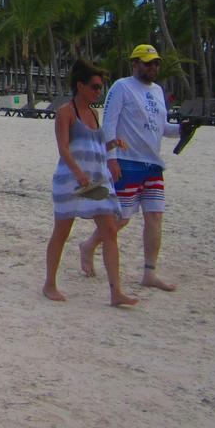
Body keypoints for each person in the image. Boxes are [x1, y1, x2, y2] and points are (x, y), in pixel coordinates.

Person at [79, 44, 181, 292]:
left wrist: (183, 130)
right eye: (147, 63)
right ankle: (90, 244)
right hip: (127, 162)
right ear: (134, 64)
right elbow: (110, 124)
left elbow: (163, 127)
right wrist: (111, 158)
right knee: (122, 218)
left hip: (153, 164)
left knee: (155, 217)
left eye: (156, 63)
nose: (153, 67)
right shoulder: (121, 87)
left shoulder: (158, 91)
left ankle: (150, 272)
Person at [44, 59, 138, 307]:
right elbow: (64, 148)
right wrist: (77, 173)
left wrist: (112, 145)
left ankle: (116, 291)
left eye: (101, 87)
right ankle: (49, 284)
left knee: (109, 230)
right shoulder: (65, 112)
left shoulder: (95, 114)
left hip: (95, 180)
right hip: (71, 181)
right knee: (61, 232)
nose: (99, 91)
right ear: (80, 85)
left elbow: (94, 147)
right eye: (95, 86)